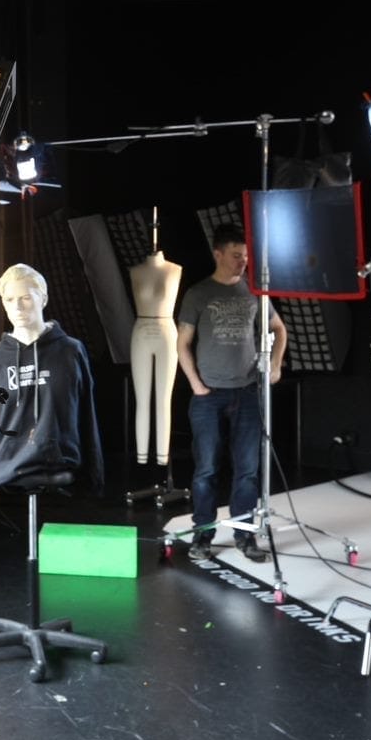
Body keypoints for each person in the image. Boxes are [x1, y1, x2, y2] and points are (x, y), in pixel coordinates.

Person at [0, 264, 104, 515]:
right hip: (5, 470)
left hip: (60, 467)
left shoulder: (70, 351)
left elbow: (87, 416)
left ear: (42, 298)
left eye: (25, 297)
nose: (18, 307)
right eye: (10, 299)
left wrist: (94, 478)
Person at [177, 223, 287, 563]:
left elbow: (278, 328)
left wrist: (277, 364)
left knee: (248, 470)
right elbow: (182, 343)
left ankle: (245, 534)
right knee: (207, 469)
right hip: (209, 394)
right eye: (237, 256)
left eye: (246, 256)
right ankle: (203, 535)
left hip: (248, 391)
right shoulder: (198, 293)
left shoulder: (255, 292)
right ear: (218, 254)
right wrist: (195, 382)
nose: (243, 262)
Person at [129, 250, 183, 465]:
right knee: (142, 399)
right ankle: (141, 455)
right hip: (141, 331)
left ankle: (162, 455)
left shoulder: (174, 270)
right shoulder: (135, 271)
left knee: (164, 399)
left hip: (166, 332)